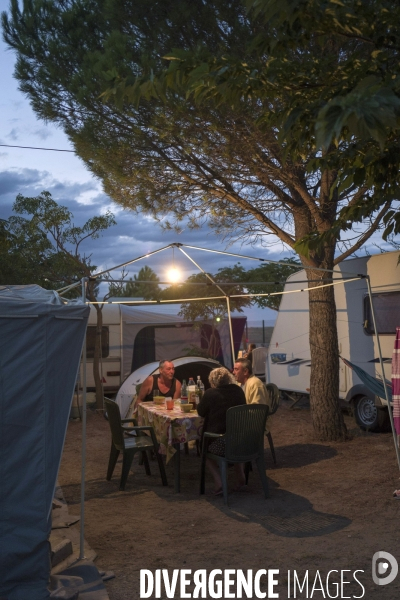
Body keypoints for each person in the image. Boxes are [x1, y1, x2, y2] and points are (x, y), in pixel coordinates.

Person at [197, 367, 246, 495]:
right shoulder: (238, 391)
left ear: (212, 381)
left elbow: (200, 412)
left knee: (204, 448)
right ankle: (240, 476)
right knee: (233, 437)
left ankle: (219, 482)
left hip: (222, 444)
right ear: (229, 378)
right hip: (242, 442)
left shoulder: (210, 393)